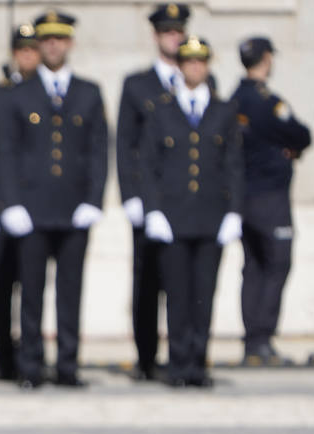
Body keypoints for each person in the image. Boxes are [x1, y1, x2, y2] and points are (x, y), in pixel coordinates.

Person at [0, 11, 108, 389]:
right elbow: (7, 153)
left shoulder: (88, 93)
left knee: (70, 291)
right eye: (47, 39)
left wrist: (94, 199)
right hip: (31, 208)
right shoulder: (19, 94)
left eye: (60, 38)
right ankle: (30, 365)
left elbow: (97, 150)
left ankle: (67, 364)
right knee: (31, 292)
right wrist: (11, 203)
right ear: (39, 45)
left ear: (70, 43)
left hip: (74, 208)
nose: (54, 45)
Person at [140, 36, 243, 388]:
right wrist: (152, 210)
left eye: (201, 62)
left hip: (211, 217)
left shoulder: (224, 111)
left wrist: (235, 212)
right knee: (177, 295)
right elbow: (149, 165)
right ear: (180, 67)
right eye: (188, 62)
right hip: (173, 217)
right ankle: (178, 363)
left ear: (208, 66)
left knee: (203, 295)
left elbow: (234, 165)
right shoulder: (162, 110)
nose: (194, 68)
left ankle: (198, 362)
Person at [117, 3, 191, 381]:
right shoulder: (138, 85)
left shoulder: (199, 79)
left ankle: (185, 354)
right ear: (156, 36)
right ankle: (146, 358)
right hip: (150, 198)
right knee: (147, 282)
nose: (174, 38)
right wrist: (130, 195)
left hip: (188, 201)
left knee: (187, 283)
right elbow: (125, 143)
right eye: (167, 32)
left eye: (178, 32)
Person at [232, 37, 310, 365]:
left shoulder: (234, 98)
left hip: (243, 197)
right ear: (266, 59)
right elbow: (302, 135)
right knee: (276, 264)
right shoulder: (268, 101)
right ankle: (262, 339)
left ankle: (253, 340)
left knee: (252, 267)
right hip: (270, 197)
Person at [0, 25, 40, 382]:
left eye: (33, 50)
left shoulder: (42, 93)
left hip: (33, 206)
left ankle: (29, 352)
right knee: (3, 282)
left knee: (31, 283)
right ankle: (4, 355)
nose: (28, 55)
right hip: (1, 202)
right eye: (22, 50)